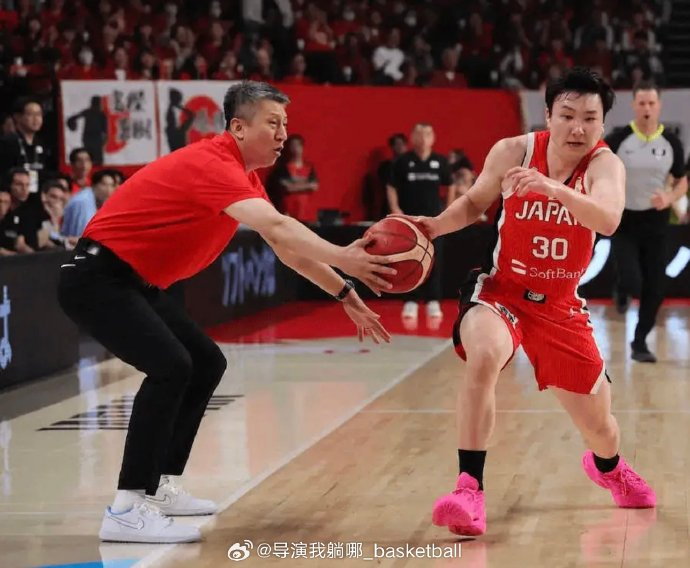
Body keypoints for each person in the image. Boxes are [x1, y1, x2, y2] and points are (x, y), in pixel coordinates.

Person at [57, 81, 395, 544]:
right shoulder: (213, 162)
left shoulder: (243, 176)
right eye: (273, 123)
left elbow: (285, 247)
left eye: (285, 124)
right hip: (98, 277)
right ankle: (127, 509)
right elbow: (279, 226)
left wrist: (344, 291)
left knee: (205, 363)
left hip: (134, 281)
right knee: (171, 367)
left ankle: (158, 487)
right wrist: (344, 255)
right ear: (238, 127)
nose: (283, 134)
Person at [401, 68, 655, 537]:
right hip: (502, 291)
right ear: (548, 115)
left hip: (560, 307)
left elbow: (608, 219)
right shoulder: (512, 151)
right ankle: (468, 489)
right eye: (567, 115)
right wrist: (434, 226)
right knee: (484, 355)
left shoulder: (604, 165)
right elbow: (474, 203)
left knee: (602, 429)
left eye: (590, 118)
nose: (577, 127)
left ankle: (609, 467)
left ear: (602, 124)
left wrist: (553, 189)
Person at [605, 81, 687, 363]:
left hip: (656, 223)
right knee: (632, 280)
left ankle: (640, 342)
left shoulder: (672, 143)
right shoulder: (619, 139)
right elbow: (599, 169)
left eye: (651, 103)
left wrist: (669, 196)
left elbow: (681, 181)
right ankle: (621, 286)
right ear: (633, 105)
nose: (647, 108)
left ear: (659, 105)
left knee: (656, 287)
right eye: (642, 103)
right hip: (625, 221)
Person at [387, 123, 453, 320]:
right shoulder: (402, 162)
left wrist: (448, 210)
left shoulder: (440, 162)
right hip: (409, 221)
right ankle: (411, 300)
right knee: (408, 259)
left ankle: (433, 301)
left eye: (427, 134)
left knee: (434, 259)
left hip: (434, 220)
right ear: (412, 137)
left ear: (433, 138)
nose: (423, 138)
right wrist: (395, 208)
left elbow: (450, 184)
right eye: (419, 134)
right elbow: (391, 186)